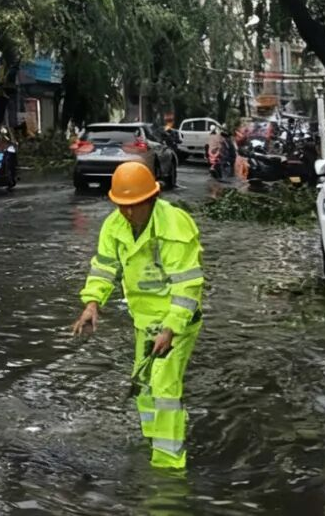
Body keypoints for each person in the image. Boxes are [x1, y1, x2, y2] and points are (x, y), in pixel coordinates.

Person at [72, 161, 205, 471]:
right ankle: (153, 438)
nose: (128, 212)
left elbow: (188, 285)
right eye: (122, 205)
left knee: (164, 387)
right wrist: (92, 303)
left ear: (151, 199)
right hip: (144, 321)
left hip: (177, 320)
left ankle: (168, 465)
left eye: (134, 205)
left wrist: (171, 329)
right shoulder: (114, 226)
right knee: (143, 384)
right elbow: (104, 268)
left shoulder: (174, 226)